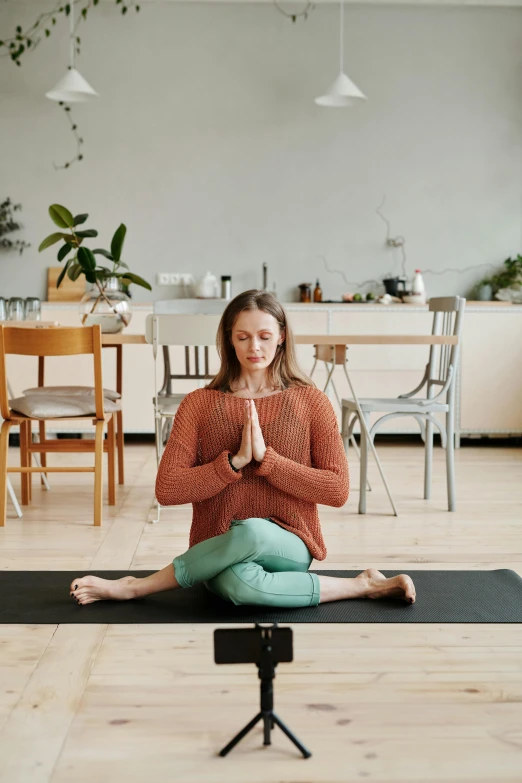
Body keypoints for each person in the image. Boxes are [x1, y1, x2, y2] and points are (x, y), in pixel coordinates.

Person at [70, 290, 415, 607]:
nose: (255, 347)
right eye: (243, 337)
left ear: (281, 338)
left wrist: (268, 461)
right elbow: (168, 489)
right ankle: (363, 585)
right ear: (228, 340)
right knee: (240, 587)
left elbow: (337, 490)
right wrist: (232, 464)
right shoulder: (199, 404)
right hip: (217, 546)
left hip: (289, 542)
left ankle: (136, 586)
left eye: (265, 337)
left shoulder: (311, 401)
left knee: (250, 532)